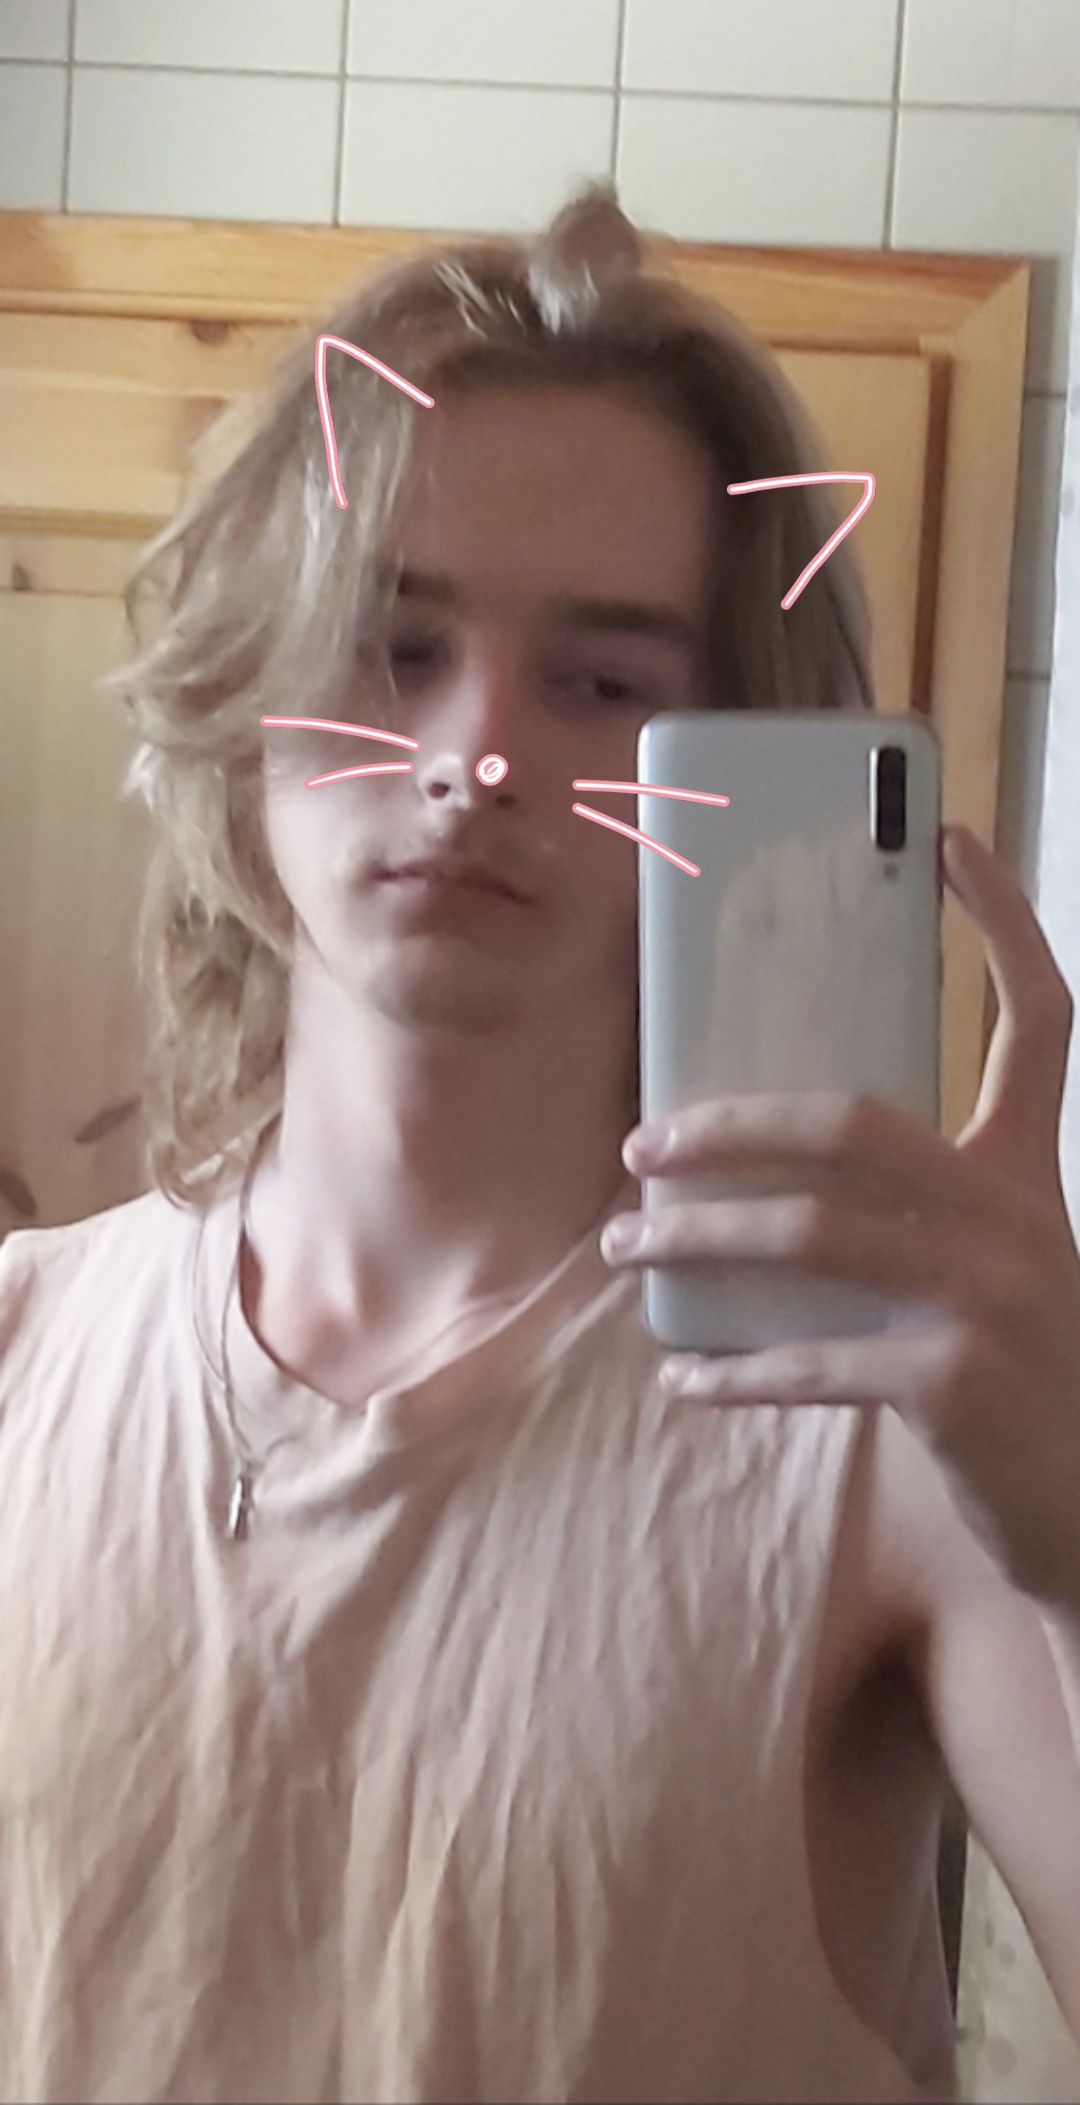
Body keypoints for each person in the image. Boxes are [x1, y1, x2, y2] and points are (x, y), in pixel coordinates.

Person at [0, 179, 1078, 2105]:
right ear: (248, 700)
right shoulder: (17, 1351)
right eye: (395, 643)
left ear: (734, 759)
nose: (476, 754)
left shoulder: (893, 1430)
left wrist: (1077, 1533)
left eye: (601, 681)